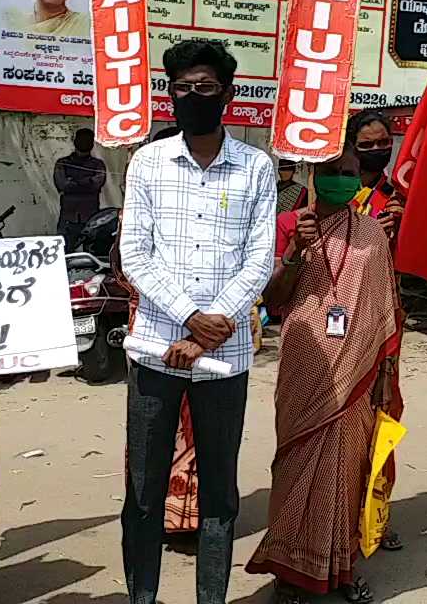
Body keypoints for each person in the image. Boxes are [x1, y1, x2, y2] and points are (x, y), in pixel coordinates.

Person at [118, 39, 275, 604]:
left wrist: (217, 322)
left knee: (219, 494)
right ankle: (143, 597)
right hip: (156, 349)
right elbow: (135, 254)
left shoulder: (256, 166)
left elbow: (260, 258)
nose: (192, 97)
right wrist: (189, 320)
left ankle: (212, 597)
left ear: (227, 95)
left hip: (225, 357)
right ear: (170, 94)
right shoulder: (148, 162)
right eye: (181, 88)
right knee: (144, 490)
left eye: (204, 88)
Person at [246, 144, 397, 604]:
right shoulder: (289, 225)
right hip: (305, 364)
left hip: (358, 371)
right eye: (331, 171)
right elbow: (271, 301)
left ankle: (342, 568)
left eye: (349, 172)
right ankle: (290, 574)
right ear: (314, 175)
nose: (341, 178)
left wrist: (385, 374)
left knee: (349, 470)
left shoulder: (373, 233)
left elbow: (385, 306)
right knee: (297, 464)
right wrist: (295, 251)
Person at [345, 110, 406, 550]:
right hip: (342, 322)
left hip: (386, 321)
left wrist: (401, 230)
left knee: (382, 413)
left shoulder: (399, 194)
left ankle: (376, 512)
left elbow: (416, 260)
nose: (375, 151)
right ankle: (338, 512)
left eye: (382, 142)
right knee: (343, 421)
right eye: (365, 145)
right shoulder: (333, 190)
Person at [54, 128, 107, 251]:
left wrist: (74, 182)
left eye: (88, 140)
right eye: (82, 139)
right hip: (68, 218)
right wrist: (87, 181)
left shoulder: (98, 164)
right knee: (63, 253)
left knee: (94, 254)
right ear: (75, 141)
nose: (84, 142)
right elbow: (62, 184)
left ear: (92, 143)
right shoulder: (63, 163)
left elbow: (97, 183)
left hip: (92, 219)